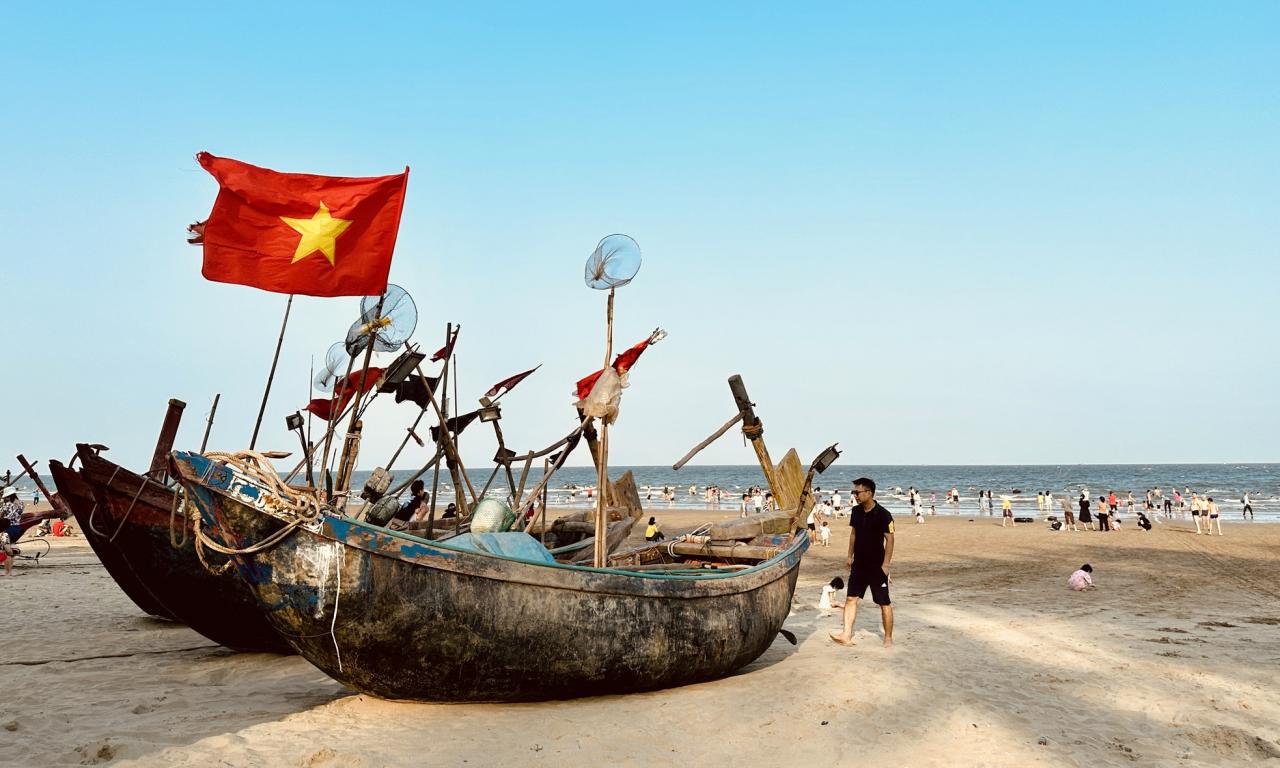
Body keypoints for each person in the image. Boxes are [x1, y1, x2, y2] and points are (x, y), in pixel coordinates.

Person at [830, 478, 894, 648]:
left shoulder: (884, 514)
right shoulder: (856, 511)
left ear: (869, 493)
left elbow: (890, 539)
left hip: (877, 566)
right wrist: (849, 555)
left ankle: (888, 638)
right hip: (859, 564)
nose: (855, 495)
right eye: (854, 492)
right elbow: (853, 534)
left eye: (857, 492)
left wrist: (886, 565)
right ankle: (846, 634)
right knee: (851, 598)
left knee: (884, 603)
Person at [2, 487, 23, 577]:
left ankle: (7, 572)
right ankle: (9, 572)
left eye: (5, 497)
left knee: (7, 551)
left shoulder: (6, 505)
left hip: (7, 529)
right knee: (9, 551)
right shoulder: (21, 504)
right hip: (17, 528)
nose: (4, 498)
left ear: (8, 496)